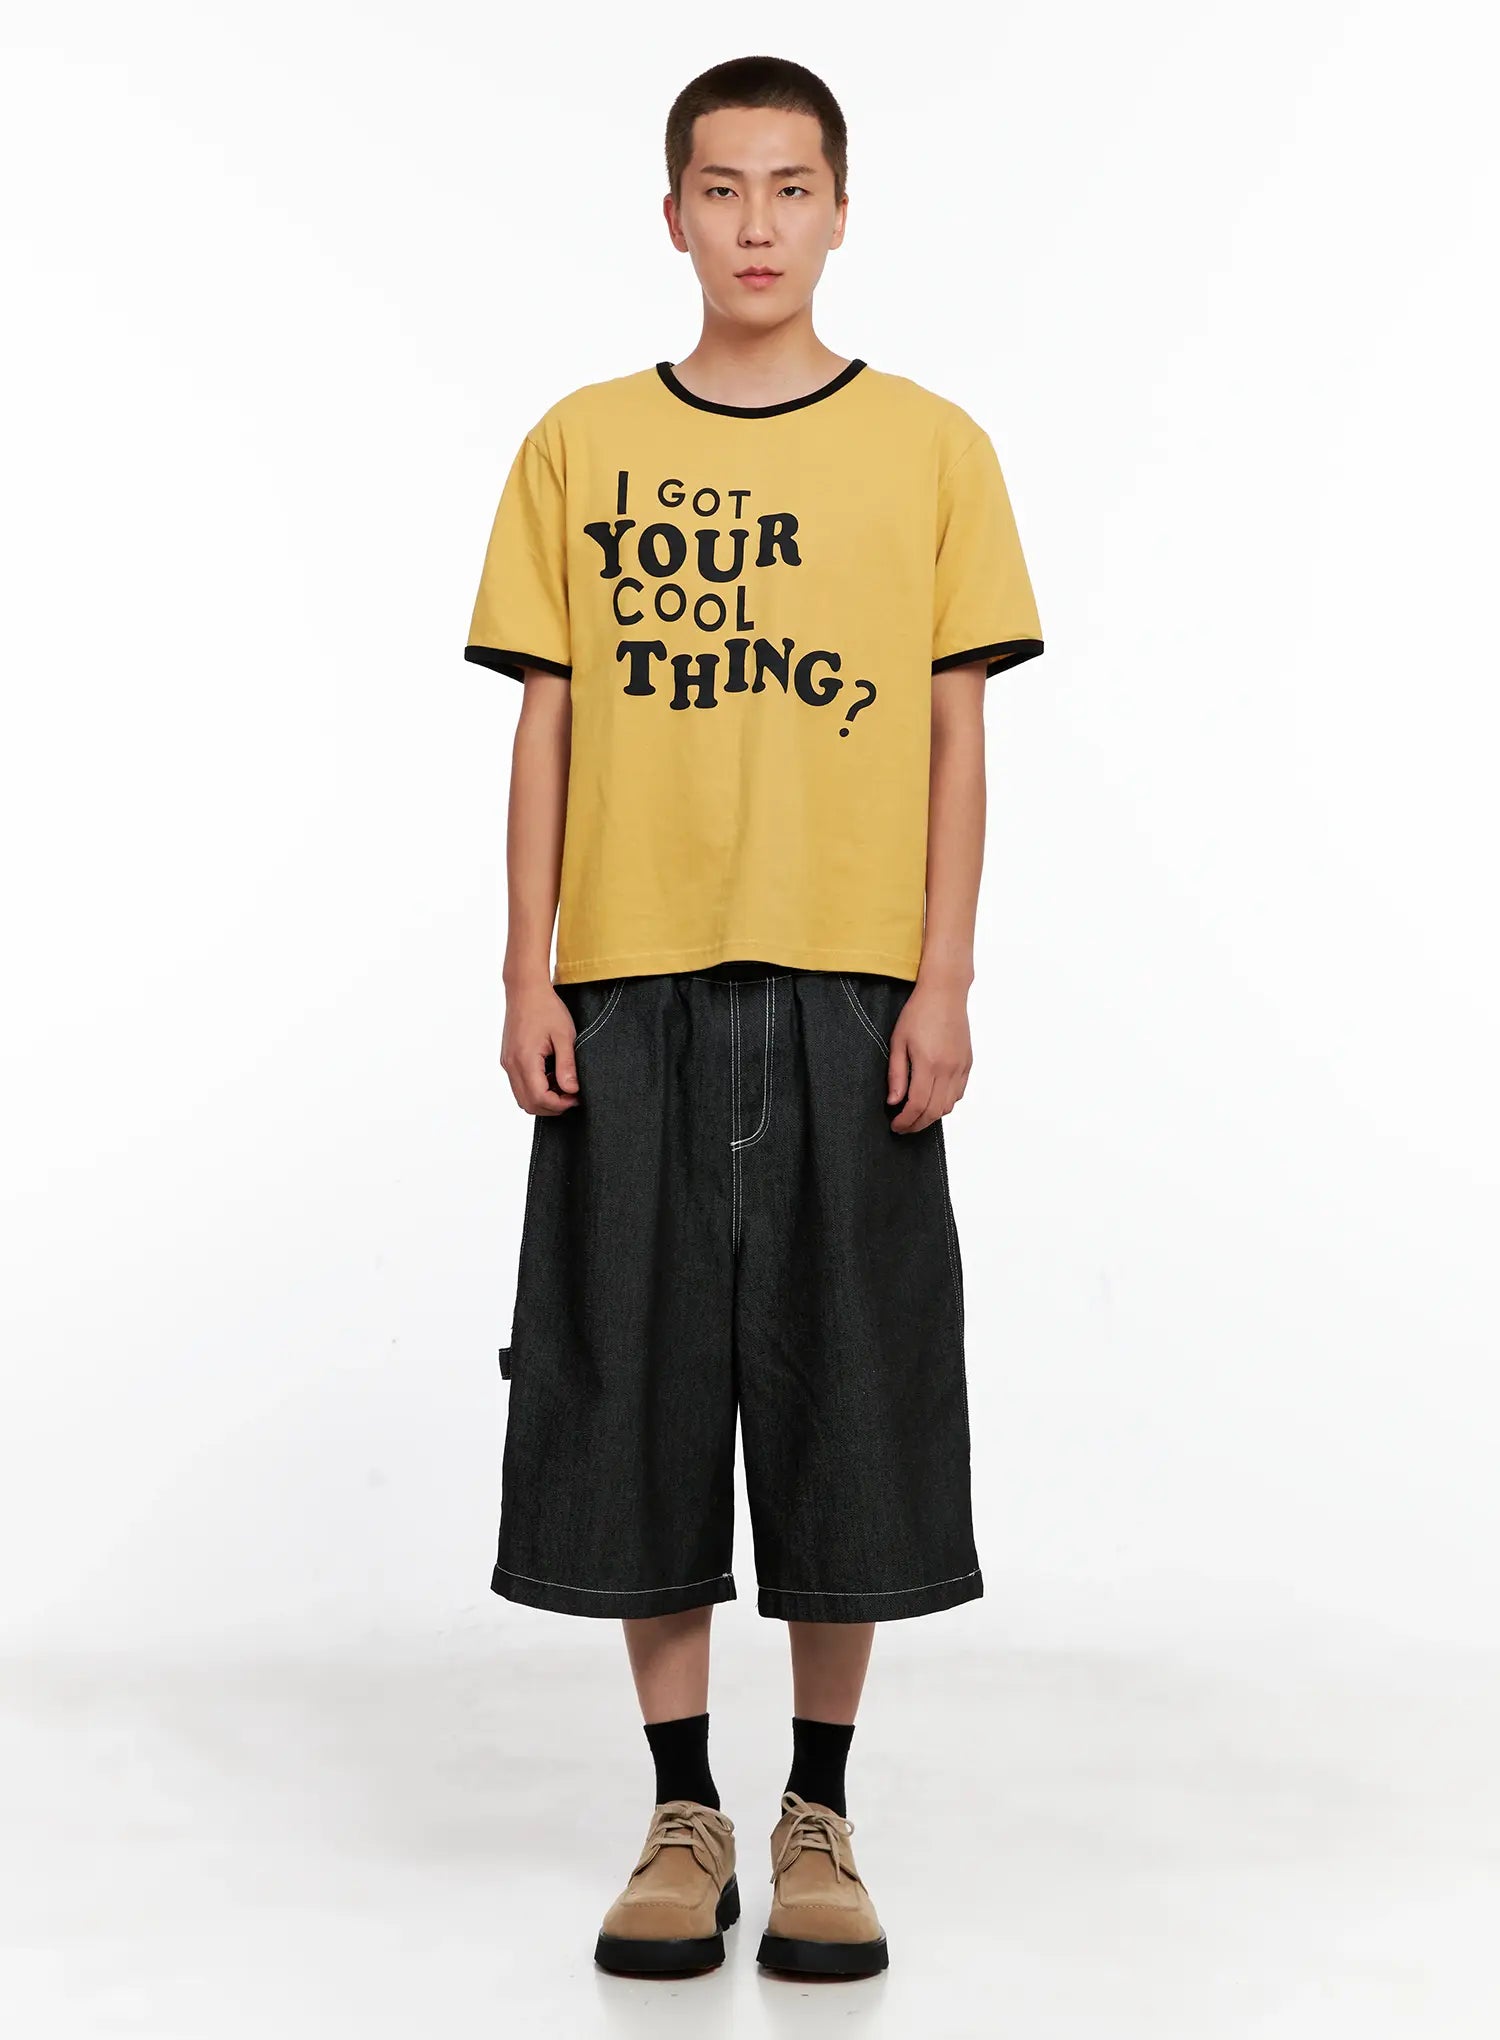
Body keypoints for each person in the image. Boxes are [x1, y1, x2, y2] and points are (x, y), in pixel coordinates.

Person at [462, 53, 1043, 1981]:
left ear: (843, 211)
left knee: (845, 1392)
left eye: (793, 188)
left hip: (849, 986)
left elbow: (957, 737)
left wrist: (944, 974)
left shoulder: (934, 449)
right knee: (630, 1389)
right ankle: (678, 1806)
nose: (759, 225)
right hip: (631, 981)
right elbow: (546, 721)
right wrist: (528, 964)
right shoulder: (580, 444)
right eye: (723, 190)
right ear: (674, 216)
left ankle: (821, 1814)